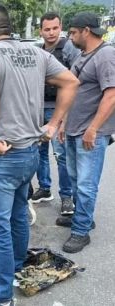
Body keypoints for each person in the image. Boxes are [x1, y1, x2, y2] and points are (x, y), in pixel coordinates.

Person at [0, 4, 79, 306]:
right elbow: (71, 82)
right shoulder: (38, 53)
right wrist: (53, 125)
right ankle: (15, 266)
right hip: (30, 152)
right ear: (7, 27)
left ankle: (2, 297)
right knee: (17, 214)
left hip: (1, 158)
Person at [56, 12, 115, 253]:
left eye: (72, 32)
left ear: (86, 31)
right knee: (75, 179)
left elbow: (111, 95)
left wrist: (93, 129)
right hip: (73, 130)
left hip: (89, 134)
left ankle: (81, 231)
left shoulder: (106, 56)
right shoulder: (83, 55)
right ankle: (83, 217)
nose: (69, 37)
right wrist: (62, 123)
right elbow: (74, 93)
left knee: (86, 185)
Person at [31, 12, 80, 217]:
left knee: (61, 155)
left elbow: (76, 79)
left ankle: (67, 196)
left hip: (58, 109)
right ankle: (44, 188)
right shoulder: (37, 51)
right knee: (39, 152)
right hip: (38, 108)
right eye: (47, 29)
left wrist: (66, 115)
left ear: (60, 28)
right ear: (40, 30)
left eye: (55, 28)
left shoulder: (68, 48)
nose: (51, 33)